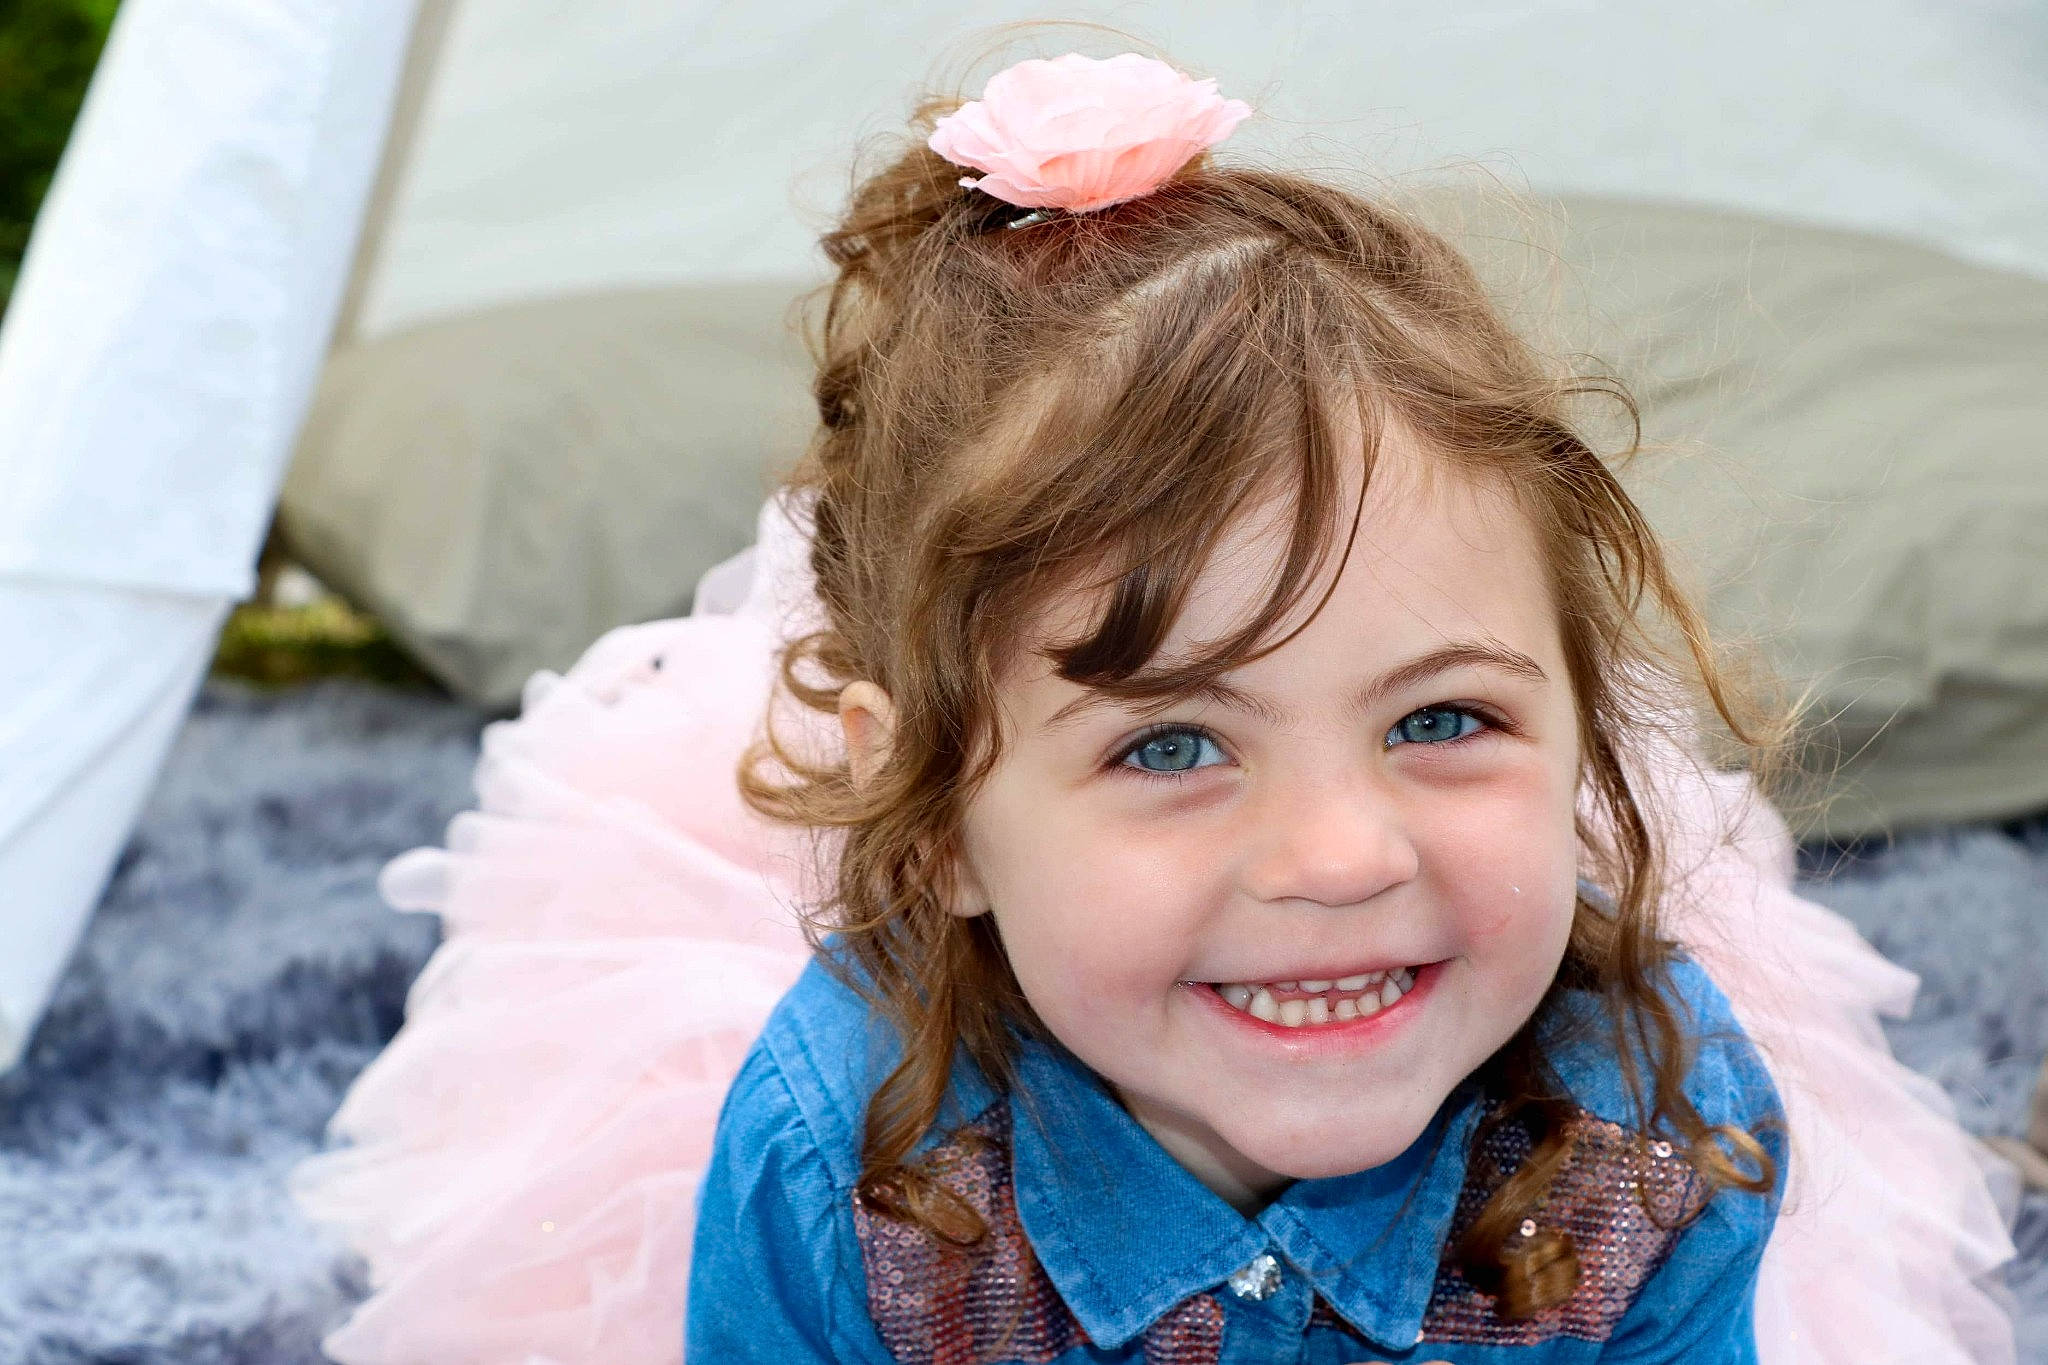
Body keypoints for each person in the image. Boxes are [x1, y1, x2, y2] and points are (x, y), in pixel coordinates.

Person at [292, 52, 2019, 1365]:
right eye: (1171, 743)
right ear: (947, 820)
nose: (1340, 854)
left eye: (1439, 722)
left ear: (1583, 723)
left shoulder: (1656, 1121)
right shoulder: (845, 1167)